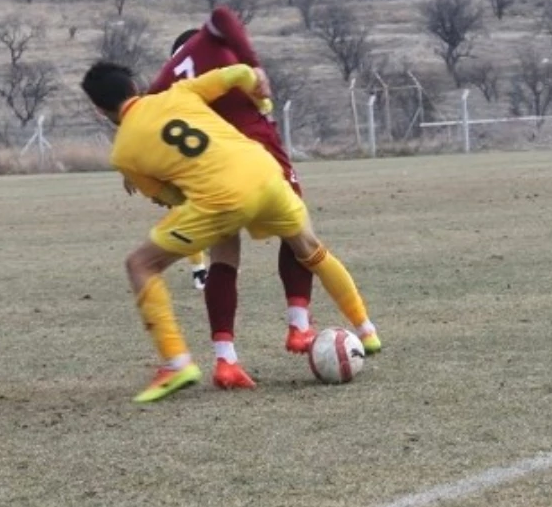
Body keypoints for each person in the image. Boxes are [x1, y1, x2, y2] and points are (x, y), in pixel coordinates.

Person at [81, 60, 381, 404]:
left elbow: (171, 197)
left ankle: (178, 362)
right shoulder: (179, 91)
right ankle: (367, 331)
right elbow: (235, 74)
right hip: (266, 174)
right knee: (311, 250)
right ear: (136, 87)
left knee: (141, 265)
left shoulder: (123, 154)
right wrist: (260, 88)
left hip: (221, 200)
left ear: (100, 110)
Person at [146, 7, 318, 381]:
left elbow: (147, 129)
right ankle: (298, 326)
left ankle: (225, 360)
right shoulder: (223, 67)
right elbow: (224, 17)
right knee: (300, 236)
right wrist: (255, 68)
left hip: (215, 179)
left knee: (224, 256)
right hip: (259, 162)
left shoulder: (171, 92)